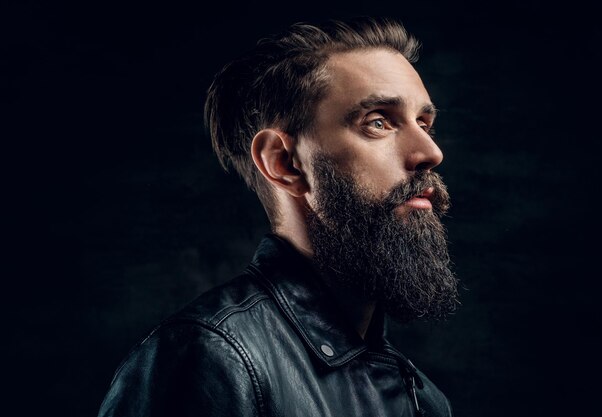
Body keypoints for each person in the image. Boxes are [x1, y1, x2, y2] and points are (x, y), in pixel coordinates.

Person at [98, 16, 459, 417]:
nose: (430, 152)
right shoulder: (211, 359)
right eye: (378, 122)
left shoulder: (422, 399)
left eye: (424, 123)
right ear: (284, 162)